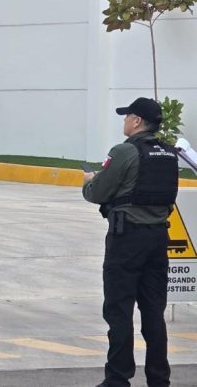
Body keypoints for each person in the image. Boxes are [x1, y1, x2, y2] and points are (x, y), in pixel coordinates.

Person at [83, 97, 179, 387]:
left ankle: (117, 378)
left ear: (137, 121)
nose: (124, 121)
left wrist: (89, 179)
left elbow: (97, 192)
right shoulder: (170, 153)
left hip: (127, 239)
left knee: (119, 309)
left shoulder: (125, 151)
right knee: (153, 312)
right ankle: (159, 379)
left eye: (127, 116)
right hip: (158, 238)